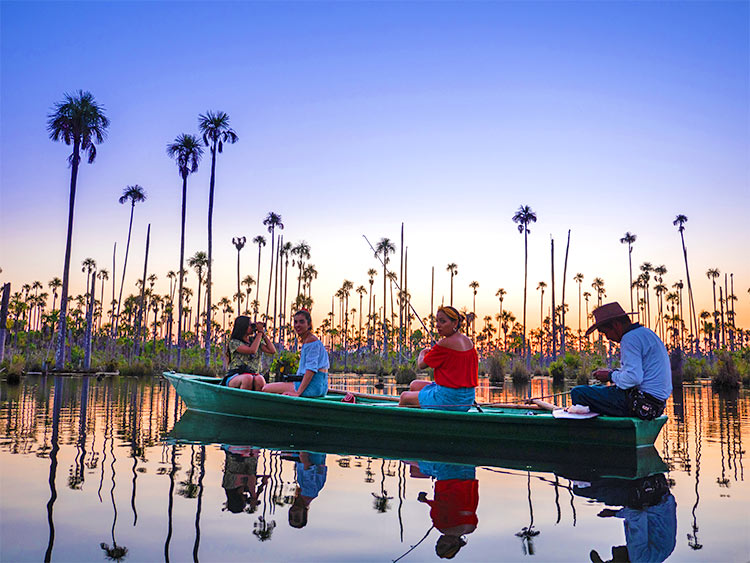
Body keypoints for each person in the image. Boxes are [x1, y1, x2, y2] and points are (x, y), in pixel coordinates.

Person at [571, 302, 671, 419]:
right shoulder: (646, 333)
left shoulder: (629, 338)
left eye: (606, 332)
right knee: (597, 390)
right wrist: (614, 373)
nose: (607, 337)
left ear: (616, 325)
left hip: (641, 404)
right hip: (656, 407)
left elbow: (633, 378)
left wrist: (610, 375)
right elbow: (638, 374)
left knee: (578, 393)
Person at [573, 473, 677, 563]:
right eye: (613, 559)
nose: (613, 550)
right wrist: (614, 514)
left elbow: (645, 515)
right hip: (648, 493)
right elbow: (637, 515)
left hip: (658, 487)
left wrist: (615, 513)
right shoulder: (639, 559)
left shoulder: (656, 556)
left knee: (609, 486)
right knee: (581, 490)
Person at [399, 306, 478, 411]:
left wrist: (422, 353)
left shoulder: (444, 343)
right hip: (468, 398)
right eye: (437, 321)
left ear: (455, 323)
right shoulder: (468, 341)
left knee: (404, 397)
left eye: (443, 321)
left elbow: (421, 365)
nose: (438, 325)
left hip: (450, 399)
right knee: (414, 385)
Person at [415, 462, 479, 559]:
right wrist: (425, 500)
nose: (438, 542)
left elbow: (453, 507)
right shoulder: (443, 527)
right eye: (442, 545)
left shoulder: (471, 528)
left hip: (469, 473)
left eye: (437, 545)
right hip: (449, 476)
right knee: (412, 463)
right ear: (454, 545)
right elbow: (440, 507)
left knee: (424, 470)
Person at [262, 310, 329, 397]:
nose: (297, 325)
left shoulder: (311, 341)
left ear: (308, 324)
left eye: (301, 322)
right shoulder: (309, 341)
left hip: (312, 387)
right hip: (321, 387)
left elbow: (311, 370)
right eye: (296, 322)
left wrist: (298, 393)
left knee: (265, 389)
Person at [222, 315, 276, 390]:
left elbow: (272, 350)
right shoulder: (234, 342)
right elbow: (252, 350)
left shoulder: (254, 341)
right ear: (243, 327)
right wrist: (259, 333)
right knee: (247, 378)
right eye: (250, 326)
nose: (252, 328)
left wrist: (263, 334)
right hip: (236, 376)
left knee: (259, 379)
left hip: (254, 375)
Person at [221, 445, 267, 514]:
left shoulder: (229, 484)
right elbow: (251, 476)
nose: (245, 498)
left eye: (244, 500)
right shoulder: (245, 488)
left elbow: (250, 477)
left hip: (238, 450)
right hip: (250, 451)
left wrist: (253, 496)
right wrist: (261, 486)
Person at [288, 452, 328, 529]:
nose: (293, 513)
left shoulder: (310, 492)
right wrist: (302, 450)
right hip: (312, 452)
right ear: (304, 514)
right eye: (296, 517)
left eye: (290, 516)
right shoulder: (308, 490)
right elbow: (306, 463)